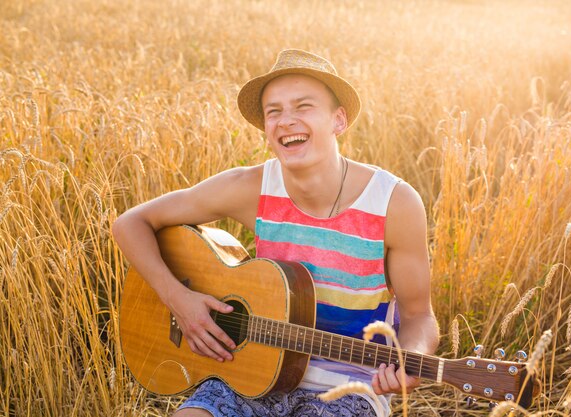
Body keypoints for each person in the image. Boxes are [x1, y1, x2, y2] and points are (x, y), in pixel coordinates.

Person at [112, 49, 439, 417]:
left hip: (347, 388)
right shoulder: (251, 188)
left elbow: (418, 316)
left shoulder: (393, 204)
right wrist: (179, 300)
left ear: (339, 119)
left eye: (303, 107)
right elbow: (130, 224)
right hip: (247, 372)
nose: (286, 121)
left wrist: (413, 359)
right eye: (274, 111)